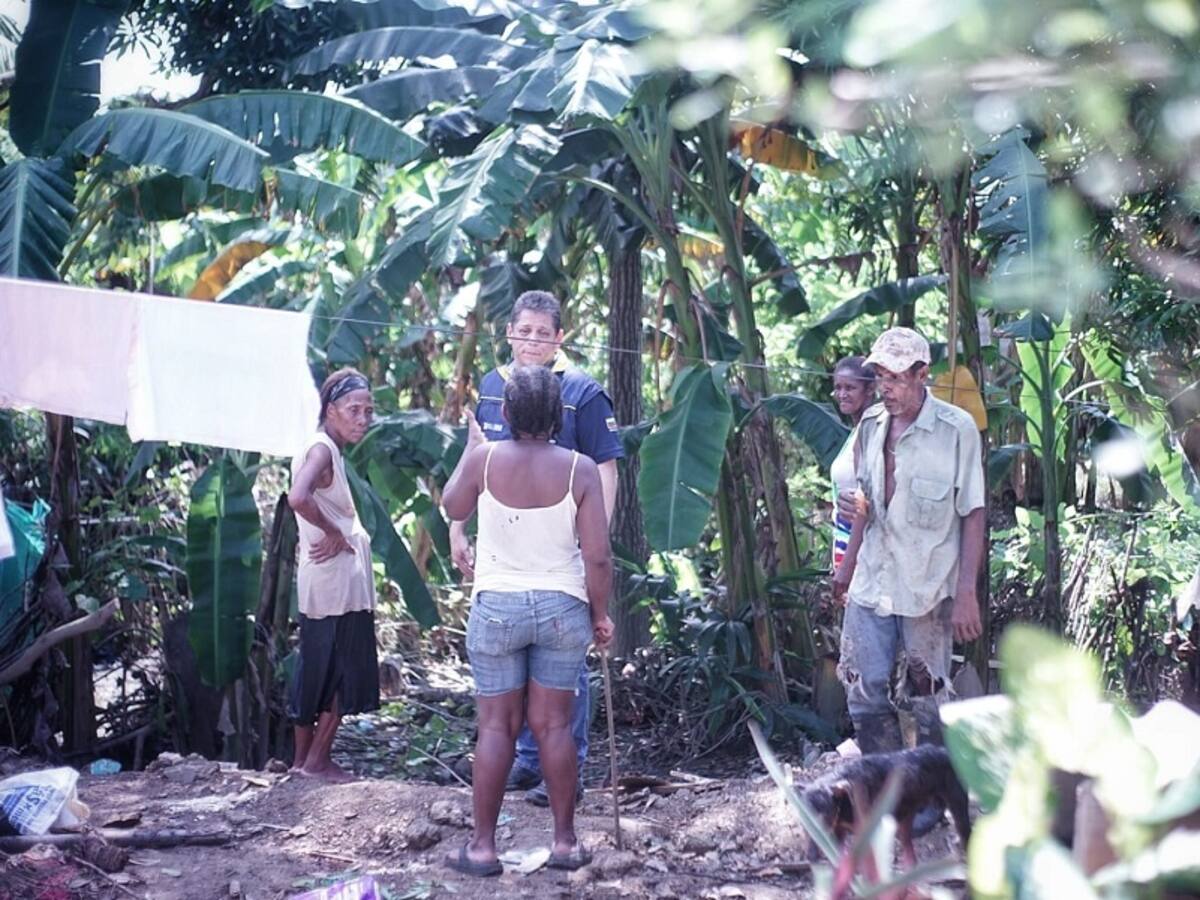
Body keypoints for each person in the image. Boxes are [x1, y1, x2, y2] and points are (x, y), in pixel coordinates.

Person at [449, 290, 622, 806]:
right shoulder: (492, 386)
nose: (532, 341)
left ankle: (567, 767)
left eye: (543, 333)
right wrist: (457, 530)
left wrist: (592, 536)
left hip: (563, 550)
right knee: (522, 675)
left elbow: (605, 472)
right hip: (503, 554)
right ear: (508, 333)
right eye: (524, 331)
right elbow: (473, 457)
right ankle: (528, 763)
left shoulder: (582, 392)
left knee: (562, 673)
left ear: (559, 339)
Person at [442, 365, 615, 876]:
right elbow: (598, 557)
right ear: (559, 417)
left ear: (507, 412)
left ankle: (482, 849)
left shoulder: (485, 459)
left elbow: (452, 503)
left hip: (497, 606)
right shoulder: (580, 468)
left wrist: (471, 449)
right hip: (562, 608)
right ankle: (564, 844)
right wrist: (600, 615)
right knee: (554, 725)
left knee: (497, 726)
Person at [832, 328, 985, 754]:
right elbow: (865, 500)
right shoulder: (870, 425)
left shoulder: (957, 430)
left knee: (927, 694)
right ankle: (884, 790)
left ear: (923, 375)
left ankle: (930, 801)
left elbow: (973, 512)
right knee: (863, 686)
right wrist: (846, 567)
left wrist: (966, 591)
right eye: (880, 376)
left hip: (927, 585)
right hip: (871, 579)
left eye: (896, 378)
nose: (886, 388)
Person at [286, 368, 379, 782]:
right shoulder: (322, 450)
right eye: (353, 410)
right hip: (336, 582)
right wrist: (334, 532)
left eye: (368, 411)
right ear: (330, 411)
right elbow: (298, 498)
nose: (362, 419)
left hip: (322, 580)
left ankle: (302, 762)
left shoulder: (318, 448)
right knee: (341, 668)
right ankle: (318, 760)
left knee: (316, 668)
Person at [829, 356, 877, 572]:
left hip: (862, 546)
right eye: (838, 387)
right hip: (846, 537)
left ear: (870, 389)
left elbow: (868, 495)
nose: (842, 394)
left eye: (850, 387)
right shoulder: (856, 431)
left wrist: (848, 565)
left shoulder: (873, 429)